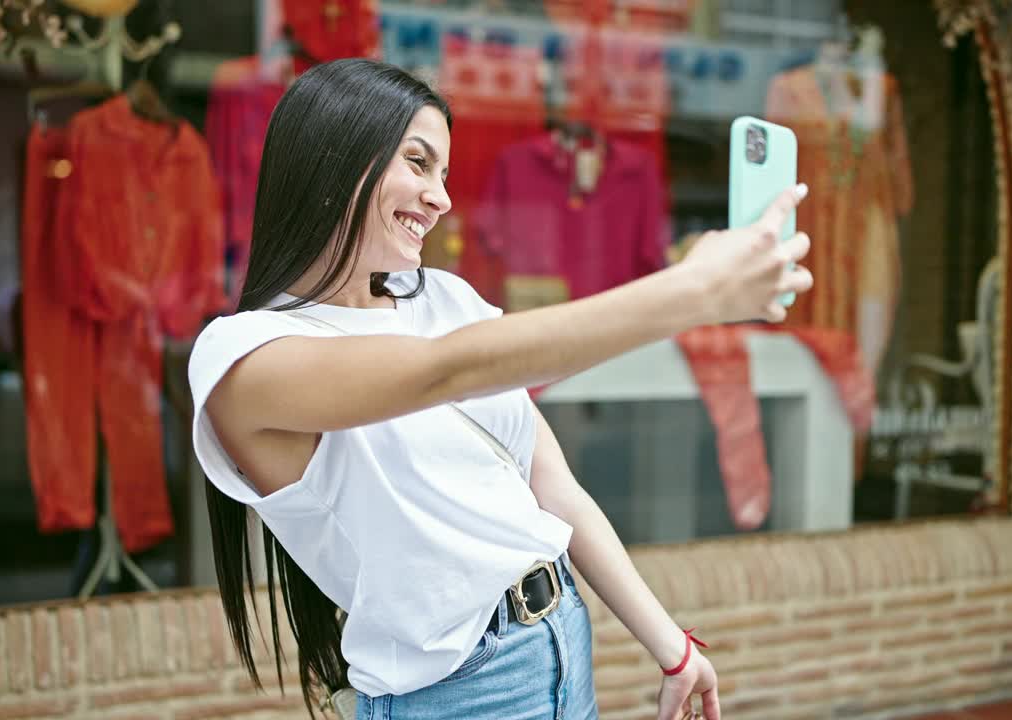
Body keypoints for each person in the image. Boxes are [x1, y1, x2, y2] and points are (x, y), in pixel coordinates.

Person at [189, 58, 813, 720]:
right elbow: (446, 370)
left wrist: (673, 648)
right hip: (461, 692)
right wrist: (694, 291)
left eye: (445, 174)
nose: (441, 197)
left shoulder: (445, 299)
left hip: (561, 640)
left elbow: (552, 489)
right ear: (336, 156)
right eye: (418, 163)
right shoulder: (240, 356)